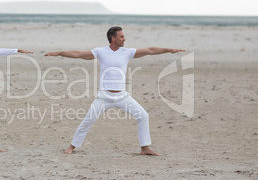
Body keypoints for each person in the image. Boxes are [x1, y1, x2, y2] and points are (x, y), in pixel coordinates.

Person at [45, 26, 185, 156]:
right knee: (88, 120)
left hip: (122, 96)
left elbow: (150, 50)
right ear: (113, 38)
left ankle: (145, 148)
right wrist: (60, 53)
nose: (124, 39)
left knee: (143, 116)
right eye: (122, 36)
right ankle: (72, 146)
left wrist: (168, 50)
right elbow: (79, 54)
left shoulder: (127, 52)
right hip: (104, 96)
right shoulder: (101, 52)